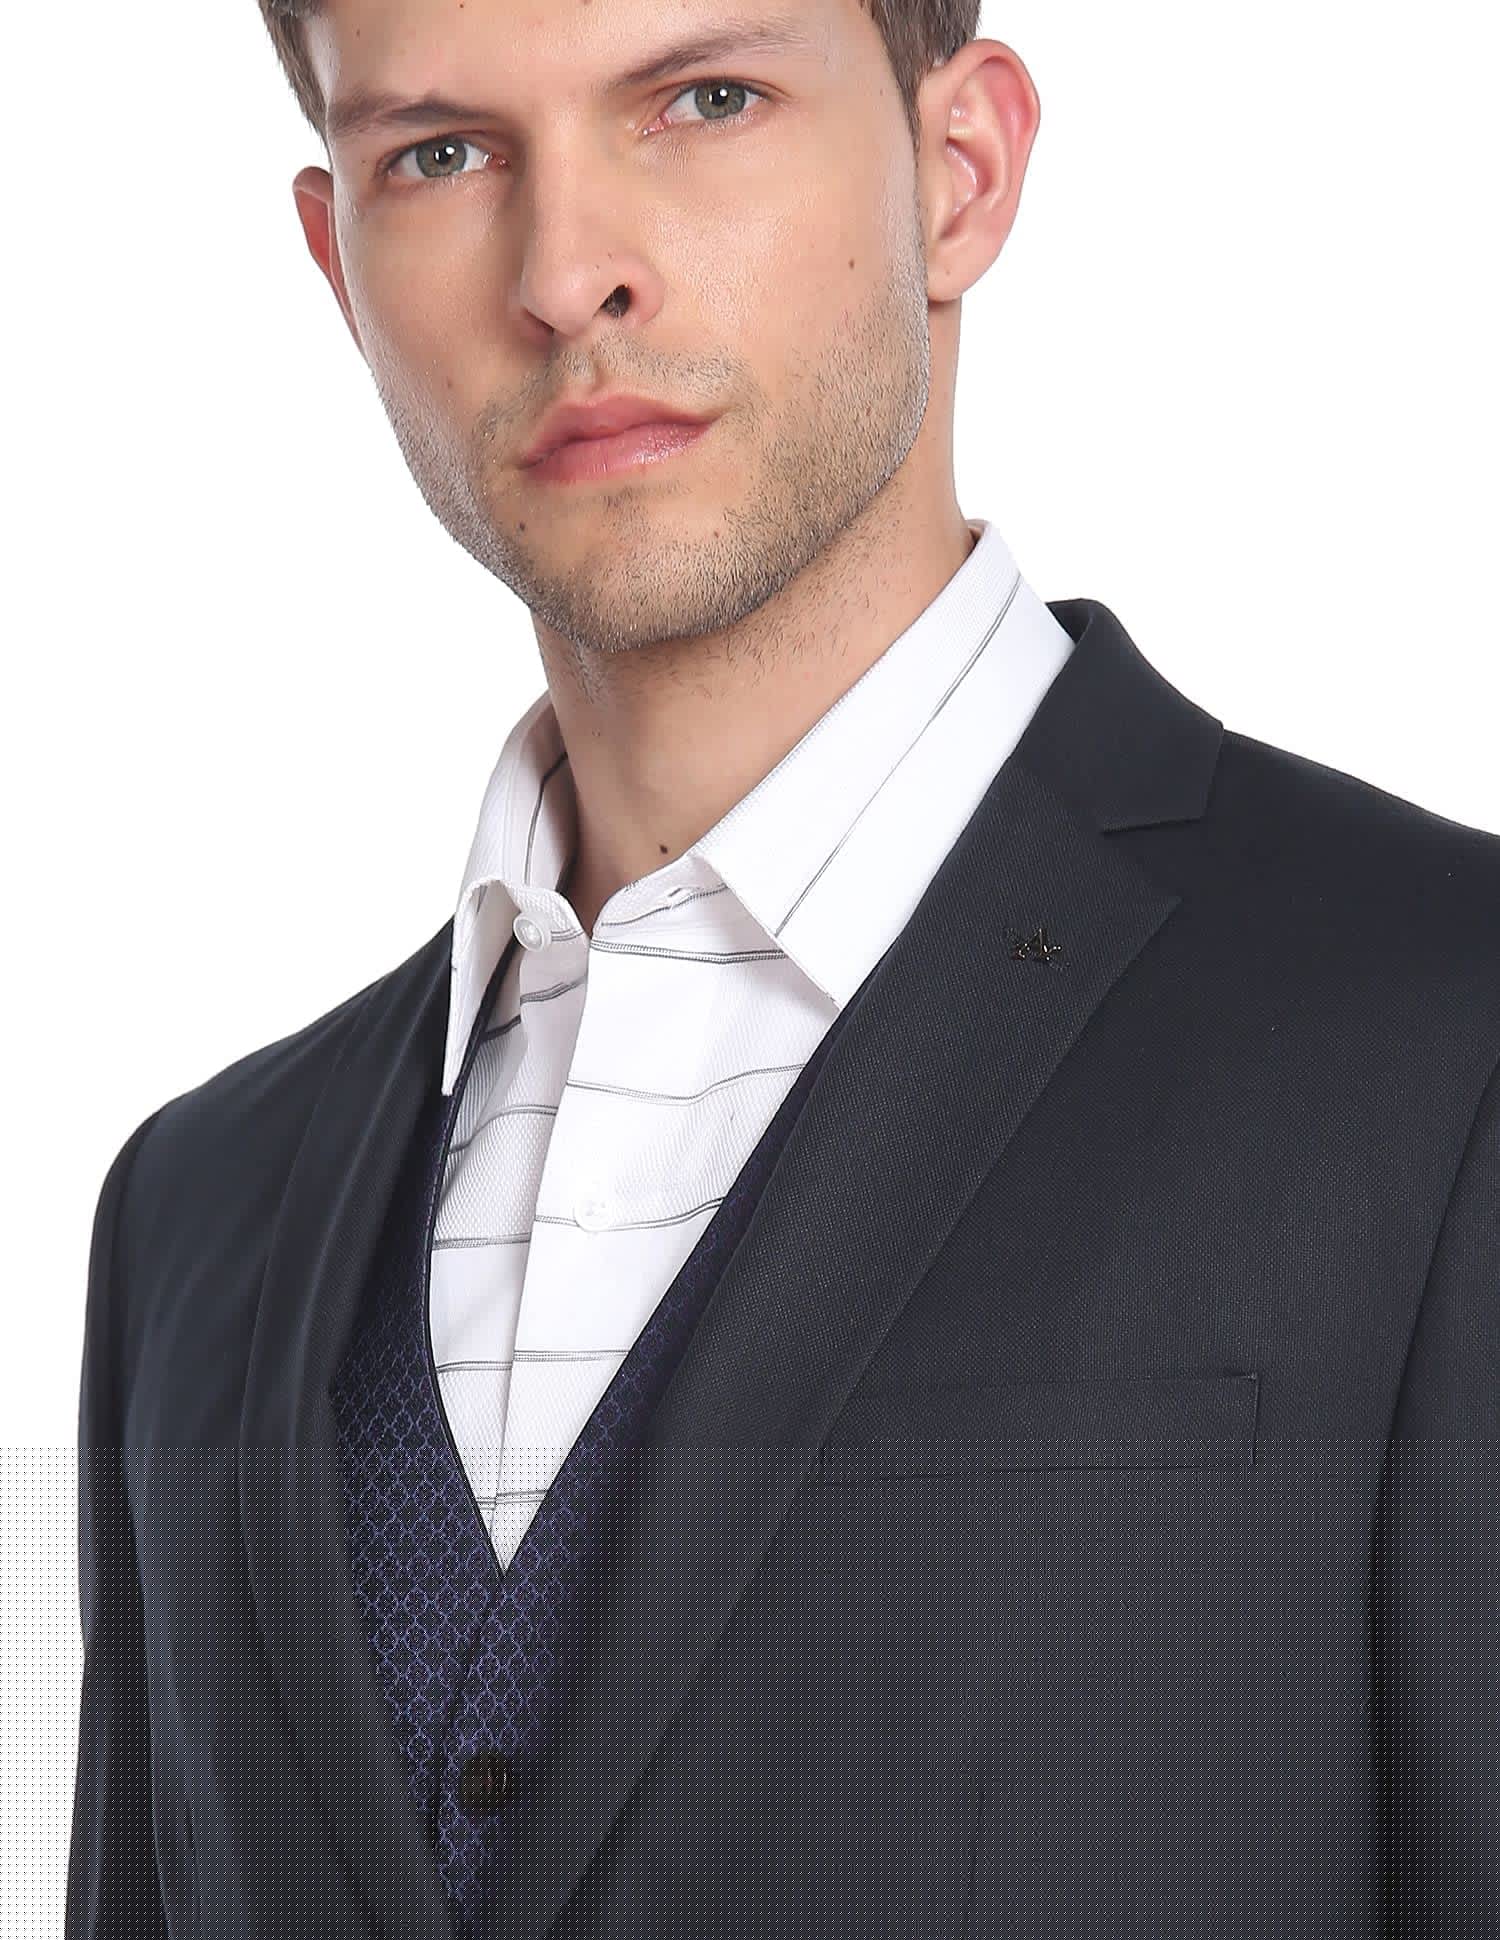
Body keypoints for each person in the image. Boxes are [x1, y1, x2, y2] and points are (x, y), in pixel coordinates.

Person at [67, 2, 1500, 1936]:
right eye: (440, 155)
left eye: (705, 100)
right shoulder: (194, 1220)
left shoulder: (1446, 1044)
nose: (567, 272)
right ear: (338, 261)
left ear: (959, 173)